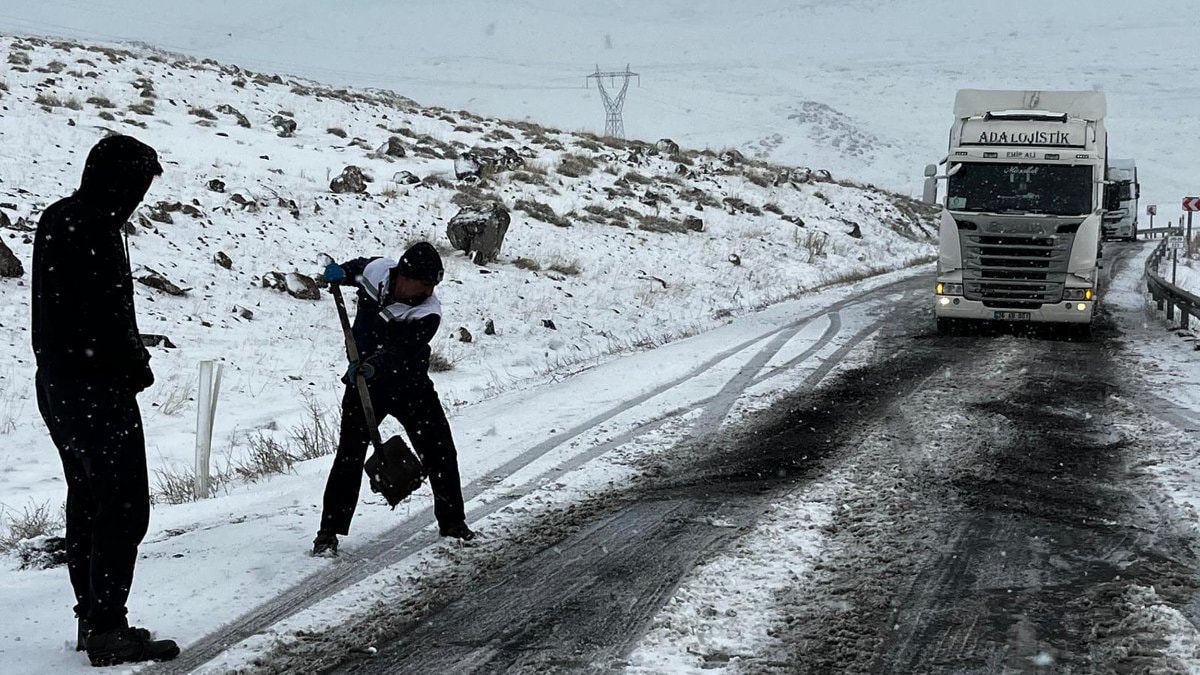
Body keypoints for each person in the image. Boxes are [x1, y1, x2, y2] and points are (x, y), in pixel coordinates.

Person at [31, 134, 180, 666]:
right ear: (117, 180)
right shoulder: (91, 227)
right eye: (137, 185)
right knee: (121, 506)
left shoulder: (62, 218)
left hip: (60, 384)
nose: (138, 198)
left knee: (89, 501)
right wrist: (132, 365)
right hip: (94, 388)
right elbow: (102, 315)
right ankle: (107, 627)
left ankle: (91, 615)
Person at [314, 241, 474, 556]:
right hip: (363, 383)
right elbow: (356, 269)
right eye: (426, 283)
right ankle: (327, 534)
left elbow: (402, 349)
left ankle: (453, 524)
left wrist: (372, 364)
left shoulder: (428, 312)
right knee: (349, 454)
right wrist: (339, 273)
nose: (430, 290)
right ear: (404, 275)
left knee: (440, 450)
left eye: (433, 285)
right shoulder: (377, 271)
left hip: (409, 385)